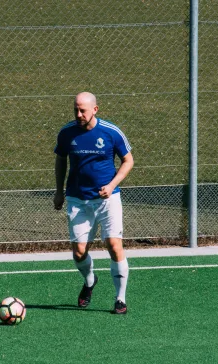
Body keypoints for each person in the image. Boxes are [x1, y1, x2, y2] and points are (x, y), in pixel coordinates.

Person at [53, 92, 134, 314]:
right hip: (78, 199)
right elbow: (60, 160)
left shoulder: (111, 132)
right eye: (75, 110)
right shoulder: (67, 133)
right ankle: (90, 282)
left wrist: (112, 184)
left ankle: (120, 299)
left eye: (83, 110)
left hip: (108, 200)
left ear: (95, 110)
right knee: (79, 252)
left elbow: (128, 161)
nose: (78, 114)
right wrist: (59, 192)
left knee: (114, 245)